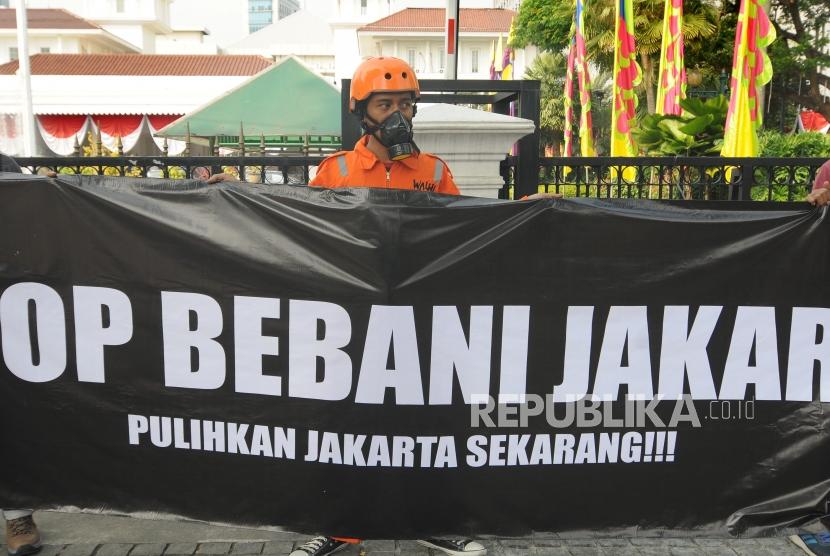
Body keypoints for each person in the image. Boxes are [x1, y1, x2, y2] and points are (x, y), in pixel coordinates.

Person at [291, 57, 485, 556]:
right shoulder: (335, 171)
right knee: (346, 425)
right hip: (351, 326)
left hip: (419, 326)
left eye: (405, 103)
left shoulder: (434, 171)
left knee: (425, 422)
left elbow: (464, 237)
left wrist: (522, 216)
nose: (398, 113)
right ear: (363, 112)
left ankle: (431, 521)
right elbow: (305, 241)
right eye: (385, 103)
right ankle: (339, 526)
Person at [0, 152, 44, 556]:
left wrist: (191, 191)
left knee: (12, 411)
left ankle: (17, 512)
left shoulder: (4, 168)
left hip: (9, 298)